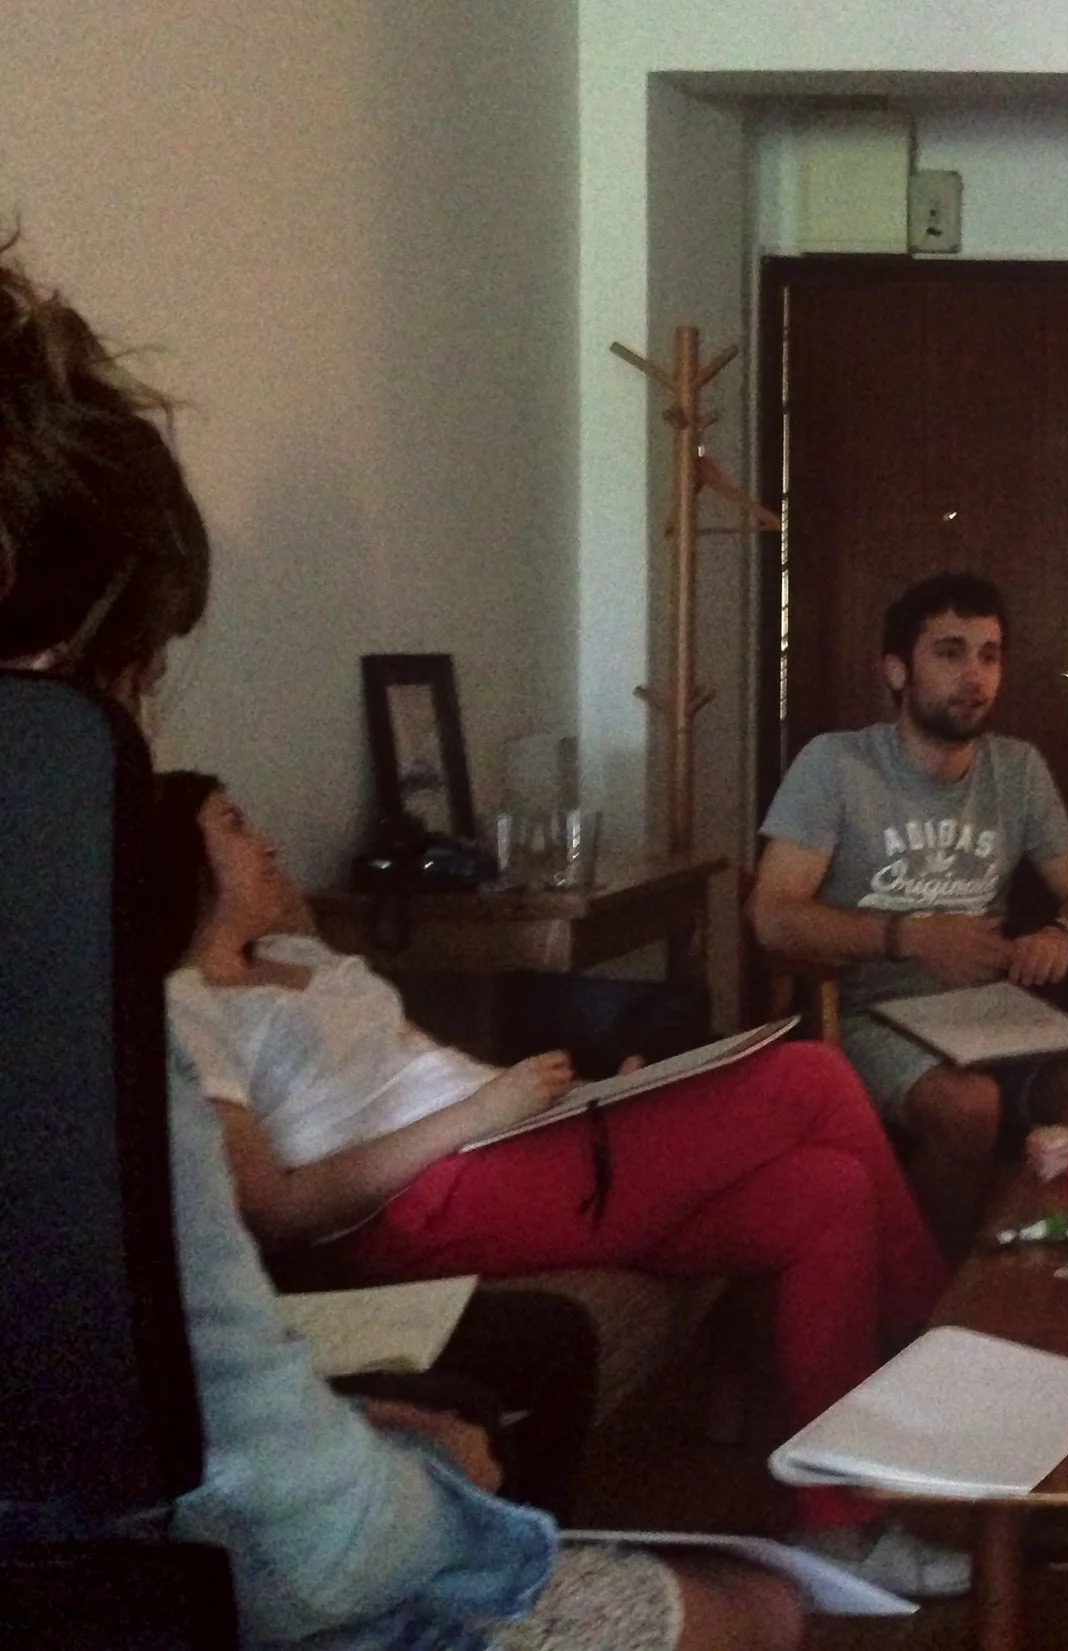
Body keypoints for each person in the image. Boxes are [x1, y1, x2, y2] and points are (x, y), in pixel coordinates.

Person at [0, 235, 799, 1648]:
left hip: (225, 1480)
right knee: (759, 1604)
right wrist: (444, 1500)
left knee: (814, 1169)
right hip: (219, 1548)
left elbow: (213, 1416)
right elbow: (297, 1529)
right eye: (133, 687)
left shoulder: (256, 973)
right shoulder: (109, 1034)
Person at [154, 769, 965, 1597]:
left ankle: (836, 1522)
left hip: (515, 1143)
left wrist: (602, 1101)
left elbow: (425, 1073)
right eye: (235, 824)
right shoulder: (185, 1009)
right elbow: (273, 1206)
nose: (267, 840)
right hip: (426, 1198)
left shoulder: (299, 955)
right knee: (810, 1079)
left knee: (823, 1192)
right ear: (178, 861)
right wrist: (480, 1114)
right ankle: (949, 1347)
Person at [750, 572, 1068, 1252]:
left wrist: (1061, 932)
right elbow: (772, 915)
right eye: (950, 653)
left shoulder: (1018, 769)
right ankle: (933, 1285)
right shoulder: (835, 765)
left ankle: (1027, 1270)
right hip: (869, 1012)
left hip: (990, 1016)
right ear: (897, 670)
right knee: (969, 1106)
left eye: (990, 655)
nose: (974, 676)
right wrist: (911, 938)